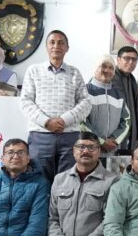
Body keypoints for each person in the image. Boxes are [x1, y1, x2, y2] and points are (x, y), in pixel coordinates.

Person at [28, 133, 118, 236]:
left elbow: (109, 222)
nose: (86, 151)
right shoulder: (59, 179)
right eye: (81, 147)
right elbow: (52, 219)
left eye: (91, 147)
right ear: (73, 151)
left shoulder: (112, 180)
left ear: (99, 151)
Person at [19, 30, 92, 181]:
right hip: (40, 134)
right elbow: (25, 101)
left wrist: (65, 120)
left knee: (67, 180)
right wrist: (47, 122)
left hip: (69, 135)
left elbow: (86, 102)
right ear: (46, 47)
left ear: (67, 48)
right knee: (39, 179)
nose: (56, 46)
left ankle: (63, 206)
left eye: (61, 43)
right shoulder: (34, 70)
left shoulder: (74, 73)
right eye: (52, 42)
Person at [83, 55, 131, 159]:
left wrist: (114, 139)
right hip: (88, 150)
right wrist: (100, 141)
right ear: (95, 68)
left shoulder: (118, 95)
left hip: (112, 151)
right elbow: (80, 121)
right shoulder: (84, 91)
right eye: (103, 66)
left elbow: (126, 121)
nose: (107, 70)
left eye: (111, 68)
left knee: (110, 175)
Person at [112, 46, 138, 153]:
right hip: (113, 133)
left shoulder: (131, 79)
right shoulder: (110, 77)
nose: (131, 62)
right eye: (127, 58)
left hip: (128, 132)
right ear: (118, 59)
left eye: (134, 59)